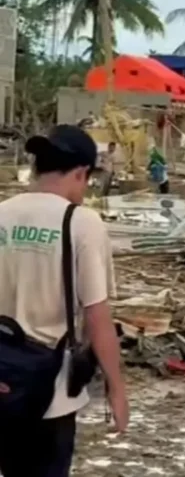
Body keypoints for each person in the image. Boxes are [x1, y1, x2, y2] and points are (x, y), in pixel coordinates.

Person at [0, 125, 128, 476]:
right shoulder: (81, 223)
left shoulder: (2, 214)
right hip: (50, 392)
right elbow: (98, 318)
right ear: (81, 173)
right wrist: (117, 390)